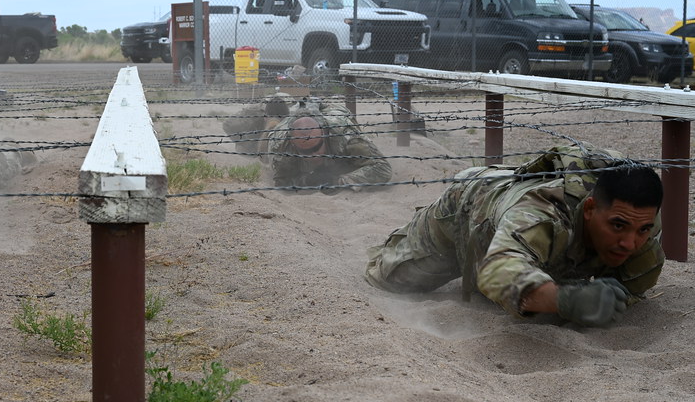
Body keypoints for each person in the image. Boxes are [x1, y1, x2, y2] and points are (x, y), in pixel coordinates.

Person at [364, 143, 665, 328]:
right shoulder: (543, 215)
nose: (630, 243)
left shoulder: (642, 225)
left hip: (513, 222)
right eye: (617, 226)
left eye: (642, 230)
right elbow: (496, 271)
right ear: (589, 210)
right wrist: (565, 300)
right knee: (392, 277)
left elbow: (632, 289)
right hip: (470, 205)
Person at [222, 95, 392, 191]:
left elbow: (382, 168)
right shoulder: (282, 147)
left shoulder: (346, 136)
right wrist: (307, 181)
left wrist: (341, 180)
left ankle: (307, 104)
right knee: (256, 148)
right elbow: (282, 181)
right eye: (306, 153)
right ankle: (273, 118)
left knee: (329, 109)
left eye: (316, 149)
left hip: (331, 113)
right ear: (295, 147)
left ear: (324, 138)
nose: (313, 157)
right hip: (287, 123)